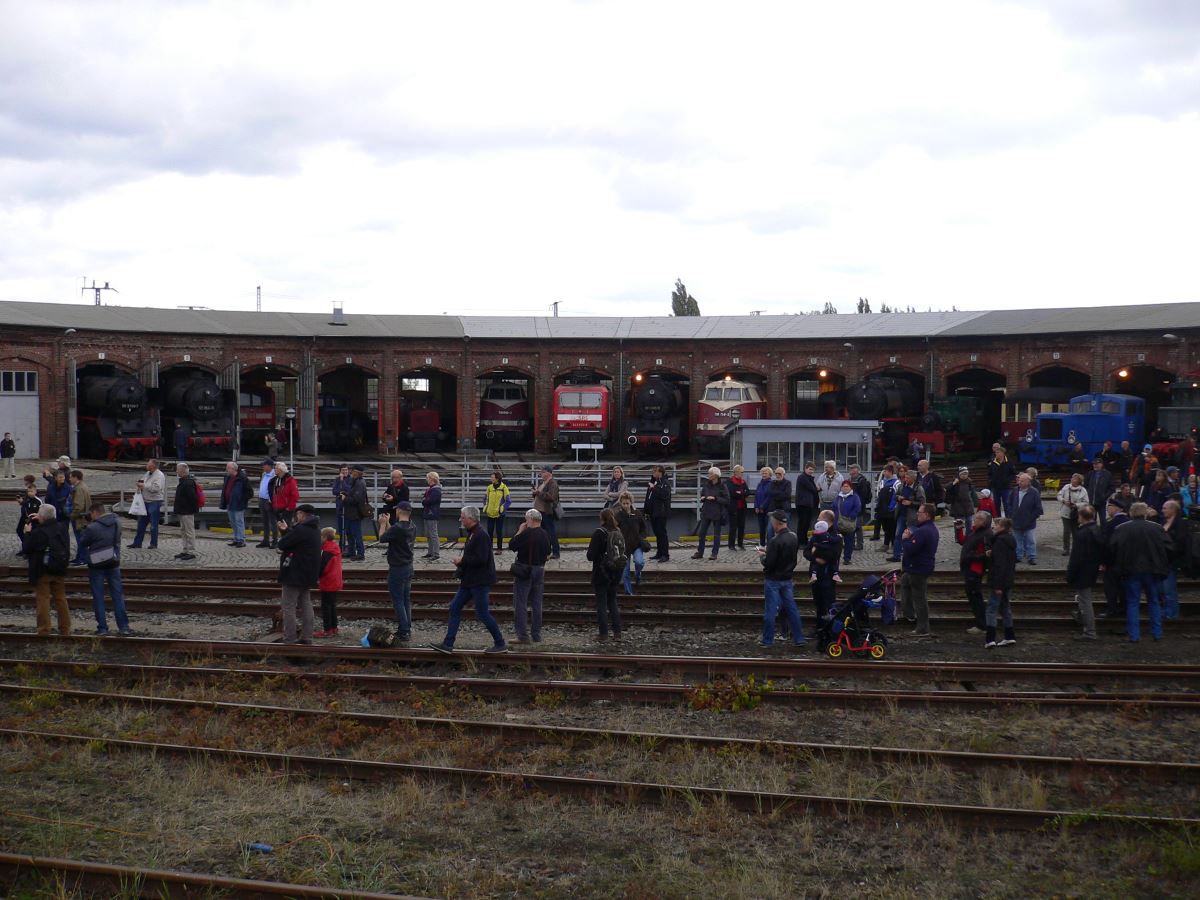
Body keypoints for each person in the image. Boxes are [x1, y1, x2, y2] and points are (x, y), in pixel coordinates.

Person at [430, 506, 508, 653]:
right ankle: (448, 644)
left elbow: (481, 559)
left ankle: (500, 643)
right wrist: (462, 563)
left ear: (471, 518)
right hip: (469, 580)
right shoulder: (473, 533)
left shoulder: (481, 535)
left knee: (482, 613)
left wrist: (462, 560)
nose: (461, 519)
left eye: (463, 517)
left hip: (479, 582)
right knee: (454, 608)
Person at [1109, 502, 1171, 642]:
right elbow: (1168, 548)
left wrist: (1117, 566)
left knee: (1132, 602)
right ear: (1145, 513)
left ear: (1131, 513)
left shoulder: (1121, 528)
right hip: (1153, 570)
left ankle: (1134, 635)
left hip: (1130, 570)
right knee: (1154, 601)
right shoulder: (1157, 528)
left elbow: (1112, 548)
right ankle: (1157, 633)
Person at [79, 501, 131, 635]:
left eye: (90, 514)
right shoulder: (117, 522)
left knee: (98, 596)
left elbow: (83, 542)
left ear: (95, 513)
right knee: (117, 596)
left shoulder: (92, 528)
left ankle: (102, 628)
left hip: (96, 564)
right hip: (113, 561)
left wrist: (85, 527)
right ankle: (124, 627)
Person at [756, 510, 805, 649]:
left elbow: (769, 563)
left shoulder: (774, 541)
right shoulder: (793, 537)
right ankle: (799, 638)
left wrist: (762, 556)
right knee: (792, 609)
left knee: (770, 611)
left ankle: (767, 640)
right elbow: (789, 557)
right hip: (787, 578)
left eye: (772, 522)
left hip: (773, 580)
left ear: (776, 523)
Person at [275, 503, 322, 645]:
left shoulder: (301, 529)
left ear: (302, 514)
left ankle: (289, 638)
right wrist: (288, 530)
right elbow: (297, 541)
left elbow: (283, 544)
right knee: (306, 605)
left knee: (288, 606)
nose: (296, 517)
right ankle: (307, 637)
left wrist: (284, 532)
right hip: (308, 575)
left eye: (298, 514)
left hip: (294, 574)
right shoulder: (315, 530)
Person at [21, 503, 71, 636]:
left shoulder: (38, 532)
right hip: (59, 568)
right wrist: (40, 519)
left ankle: (44, 630)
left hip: (42, 570)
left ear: (42, 517)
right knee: (61, 598)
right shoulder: (62, 527)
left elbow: (27, 548)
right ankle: (65, 629)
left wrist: (27, 532)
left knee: (43, 599)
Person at [509, 508, 552, 644]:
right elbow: (548, 553)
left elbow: (512, 545)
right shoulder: (545, 534)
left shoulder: (526, 533)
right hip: (540, 570)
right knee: (537, 603)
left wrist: (520, 530)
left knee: (521, 603)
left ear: (530, 519)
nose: (525, 522)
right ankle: (536, 635)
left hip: (525, 570)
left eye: (526, 519)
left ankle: (522, 636)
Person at [378, 502, 417, 642]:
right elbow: (393, 535)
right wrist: (389, 523)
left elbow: (382, 538)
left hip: (397, 568)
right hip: (408, 566)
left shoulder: (397, 528)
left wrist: (383, 524)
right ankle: (406, 629)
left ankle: (404, 631)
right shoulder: (412, 526)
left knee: (398, 600)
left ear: (399, 511)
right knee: (406, 599)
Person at [899, 503, 939, 637]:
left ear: (926, 515)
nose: (917, 514)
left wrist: (905, 539)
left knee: (920, 598)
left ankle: (922, 627)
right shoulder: (928, 529)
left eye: (920, 512)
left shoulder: (923, 531)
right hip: (917, 567)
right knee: (905, 581)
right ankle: (909, 613)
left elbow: (911, 549)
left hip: (918, 568)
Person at [586, 507, 625, 641]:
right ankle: (617, 633)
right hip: (616, 572)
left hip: (601, 572)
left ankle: (603, 634)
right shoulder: (617, 531)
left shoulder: (599, 532)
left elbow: (590, 556)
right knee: (612, 601)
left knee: (602, 603)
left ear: (601, 519)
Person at [1066, 504, 1102, 641]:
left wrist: (1070, 574)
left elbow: (1076, 557)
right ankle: (1083, 620)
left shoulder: (1082, 534)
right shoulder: (1097, 529)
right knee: (1084, 599)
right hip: (1092, 569)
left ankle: (1089, 632)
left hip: (1083, 571)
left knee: (1085, 600)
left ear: (1081, 517)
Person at [985, 517, 1018, 648]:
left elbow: (999, 564)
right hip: (1008, 580)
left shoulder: (999, 541)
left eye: (996, 525)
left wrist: (997, 585)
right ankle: (1009, 636)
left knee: (991, 609)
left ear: (1002, 527)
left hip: (999, 581)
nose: (994, 527)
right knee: (1005, 608)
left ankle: (990, 639)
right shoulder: (1010, 540)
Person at [958, 510, 991, 635]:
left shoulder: (985, 534)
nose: (974, 520)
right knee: (973, 597)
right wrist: (958, 530)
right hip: (970, 568)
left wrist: (970, 556)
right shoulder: (975, 532)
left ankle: (982, 625)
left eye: (976, 518)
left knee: (976, 598)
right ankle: (981, 623)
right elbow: (963, 541)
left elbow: (986, 555)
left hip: (975, 570)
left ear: (983, 521)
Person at [804, 519, 842, 622]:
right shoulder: (816, 536)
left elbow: (834, 555)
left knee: (829, 602)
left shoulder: (834, 537)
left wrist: (816, 552)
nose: (817, 520)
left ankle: (830, 627)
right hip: (817, 575)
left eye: (820, 518)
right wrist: (815, 558)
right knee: (818, 603)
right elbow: (806, 552)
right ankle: (820, 626)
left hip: (828, 576)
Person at [1101, 497, 1130, 618]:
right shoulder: (1129, 522)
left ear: (1117, 508)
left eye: (1109, 507)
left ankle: (1111, 609)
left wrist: (1104, 562)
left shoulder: (1111, 524)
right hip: (1126, 561)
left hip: (1113, 562)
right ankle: (1124, 609)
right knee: (1124, 587)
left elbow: (1107, 545)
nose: (1107, 509)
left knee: (1111, 587)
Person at [128, 459, 166, 550]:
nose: (146, 465)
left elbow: (156, 488)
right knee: (141, 524)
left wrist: (144, 486)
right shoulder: (147, 473)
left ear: (153, 466)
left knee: (153, 524)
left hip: (154, 501)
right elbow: (143, 482)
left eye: (148, 464)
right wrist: (139, 484)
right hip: (145, 501)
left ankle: (153, 544)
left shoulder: (159, 475)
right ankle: (137, 543)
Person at [888, 470, 925, 563]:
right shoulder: (902, 486)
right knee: (898, 535)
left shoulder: (918, 488)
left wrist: (911, 503)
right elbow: (895, 496)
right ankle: (896, 556)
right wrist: (898, 497)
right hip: (901, 514)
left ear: (913, 479)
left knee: (912, 536)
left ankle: (913, 556)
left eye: (908, 478)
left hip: (912, 517)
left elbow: (922, 503)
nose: (906, 479)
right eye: (905, 477)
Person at [615, 491, 647, 594]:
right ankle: (628, 593)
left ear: (631, 502)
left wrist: (642, 537)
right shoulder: (618, 516)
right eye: (623, 503)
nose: (625, 505)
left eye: (627, 503)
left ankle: (638, 575)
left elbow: (643, 528)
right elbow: (614, 529)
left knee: (639, 562)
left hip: (637, 544)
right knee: (625, 572)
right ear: (621, 503)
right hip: (623, 547)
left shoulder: (637, 514)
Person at [693, 466, 729, 560]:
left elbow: (727, 500)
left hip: (717, 513)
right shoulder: (706, 484)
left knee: (716, 534)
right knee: (702, 533)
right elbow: (703, 494)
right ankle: (700, 552)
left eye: (710, 474)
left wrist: (715, 498)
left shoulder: (722, 486)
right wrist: (703, 498)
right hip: (706, 511)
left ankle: (714, 553)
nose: (708, 475)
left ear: (716, 475)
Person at [1008, 473, 1043, 565]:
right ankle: (1018, 556)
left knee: (1030, 541)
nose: (1019, 482)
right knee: (1017, 540)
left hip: (1029, 522)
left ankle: (1032, 557)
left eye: (1022, 481)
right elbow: (1009, 503)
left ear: (1028, 482)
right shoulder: (1015, 490)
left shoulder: (1034, 492)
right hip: (1016, 520)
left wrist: (1031, 518)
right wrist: (1011, 514)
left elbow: (1038, 509)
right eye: (1019, 480)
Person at [315, 526, 343, 638]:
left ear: (325, 537)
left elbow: (322, 568)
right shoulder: (335, 548)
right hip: (335, 580)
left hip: (328, 582)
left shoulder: (327, 552)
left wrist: (315, 576)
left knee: (326, 607)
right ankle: (334, 627)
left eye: (321, 536)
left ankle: (327, 630)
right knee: (332, 605)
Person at [1160, 499, 1185, 622]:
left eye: (1165, 508)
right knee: (1162, 589)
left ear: (1172, 509)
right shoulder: (1163, 522)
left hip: (1171, 560)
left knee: (1169, 588)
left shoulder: (1180, 524)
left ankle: (1172, 613)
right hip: (1162, 561)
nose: (1162, 510)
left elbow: (1180, 543)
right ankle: (1166, 611)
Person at [532, 465, 561, 559]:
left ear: (549, 473)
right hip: (540, 511)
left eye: (543, 472)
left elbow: (551, 497)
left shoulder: (552, 483)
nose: (541, 474)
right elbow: (540, 495)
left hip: (547, 512)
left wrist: (538, 493)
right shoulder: (543, 483)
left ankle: (556, 552)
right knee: (544, 533)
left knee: (551, 532)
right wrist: (535, 493)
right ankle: (546, 552)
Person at [218, 461, 249, 549]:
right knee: (233, 522)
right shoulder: (227, 477)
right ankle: (236, 539)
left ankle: (241, 540)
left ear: (233, 469)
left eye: (228, 468)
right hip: (229, 503)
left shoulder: (242, 478)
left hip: (238, 504)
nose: (226, 469)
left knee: (239, 522)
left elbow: (249, 492)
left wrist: (241, 499)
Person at [173, 463, 201, 560]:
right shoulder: (183, 481)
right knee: (183, 531)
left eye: (177, 469)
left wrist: (191, 509)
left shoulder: (188, 483)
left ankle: (191, 551)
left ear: (183, 471)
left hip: (187, 511)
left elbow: (193, 498)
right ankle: (185, 550)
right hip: (182, 511)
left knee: (189, 531)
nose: (176, 471)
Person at [1057, 473, 1089, 557]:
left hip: (1076, 514)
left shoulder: (1083, 490)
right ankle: (1066, 549)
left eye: (1075, 478)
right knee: (1066, 531)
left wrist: (1076, 505)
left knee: (1075, 532)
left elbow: (1086, 502)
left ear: (1079, 481)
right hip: (1065, 512)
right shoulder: (1066, 487)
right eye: (1072, 478)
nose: (1072, 479)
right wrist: (1064, 501)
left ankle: (1076, 549)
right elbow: (1059, 495)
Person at [341, 465, 368, 561]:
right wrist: (346, 494)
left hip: (355, 513)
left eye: (352, 471)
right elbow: (354, 495)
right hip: (351, 513)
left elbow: (356, 499)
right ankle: (351, 551)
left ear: (357, 472)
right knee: (350, 533)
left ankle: (360, 553)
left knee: (356, 533)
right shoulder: (356, 481)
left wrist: (345, 498)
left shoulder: (359, 483)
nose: (351, 472)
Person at [645, 465, 672, 561]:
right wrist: (647, 510)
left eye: (655, 471)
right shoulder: (654, 482)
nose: (653, 473)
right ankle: (659, 553)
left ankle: (665, 554)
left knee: (662, 534)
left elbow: (664, 495)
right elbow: (649, 497)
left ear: (660, 472)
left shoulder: (665, 482)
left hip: (661, 512)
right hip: (653, 512)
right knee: (657, 533)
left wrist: (654, 488)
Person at [831, 479, 861, 564]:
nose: (845, 488)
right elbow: (833, 507)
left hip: (849, 523)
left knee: (849, 542)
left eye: (847, 486)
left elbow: (857, 508)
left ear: (850, 487)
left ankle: (847, 559)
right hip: (838, 523)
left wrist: (851, 515)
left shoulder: (855, 497)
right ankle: (835, 558)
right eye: (844, 486)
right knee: (836, 542)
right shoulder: (838, 497)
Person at [873, 464, 899, 554]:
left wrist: (891, 507)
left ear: (890, 472)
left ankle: (893, 545)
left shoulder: (896, 482)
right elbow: (878, 494)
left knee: (892, 528)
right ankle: (885, 544)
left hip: (890, 510)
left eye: (885, 471)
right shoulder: (882, 482)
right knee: (885, 528)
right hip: (882, 509)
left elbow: (896, 496)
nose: (884, 473)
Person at [483, 470, 511, 554]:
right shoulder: (489, 488)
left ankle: (499, 549)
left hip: (500, 514)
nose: (491, 479)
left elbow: (508, 501)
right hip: (490, 513)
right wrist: (485, 506)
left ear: (497, 478)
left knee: (499, 532)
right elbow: (485, 499)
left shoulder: (504, 488)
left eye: (492, 477)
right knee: (489, 531)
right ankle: (489, 548)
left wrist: (502, 508)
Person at [67, 470, 91, 566]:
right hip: (83, 517)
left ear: (75, 477)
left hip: (80, 519)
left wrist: (71, 515)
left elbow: (79, 507)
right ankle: (79, 557)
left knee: (80, 539)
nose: (69, 479)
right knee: (81, 539)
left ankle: (82, 559)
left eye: (70, 477)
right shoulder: (82, 486)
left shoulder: (79, 489)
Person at [846, 463, 871, 552]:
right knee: (850, 526)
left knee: (858, 526)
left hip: (858, 507)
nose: (850, 470)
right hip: (850, 506)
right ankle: (851, 543)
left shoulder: (862, 481)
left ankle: (859, 544)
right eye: (850, 468)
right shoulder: (849, 480)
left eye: (852, 468)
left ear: (857, 470)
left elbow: (863, 495)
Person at [257, 459, 280, 548]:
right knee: (265, 521)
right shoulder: (263, 474)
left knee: (273, 522)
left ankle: (275, 540)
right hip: (262, 500)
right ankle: (266, 540)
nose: (263, 466)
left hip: (269, 501)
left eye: (264, 465)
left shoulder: (275, 475)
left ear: (269, 466)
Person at [791, 463, 817, 542]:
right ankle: (801, 541)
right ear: (805, 469)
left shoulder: (808, 478)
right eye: (810, 469)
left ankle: (804, 540)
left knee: (806, 523)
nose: (811, 471)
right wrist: (817, 488)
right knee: (803, 523)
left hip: (807, 504)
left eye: (813, 470)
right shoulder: (802, 477)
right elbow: (812, 489)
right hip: (803, 504)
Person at [270, 461, 299, 529]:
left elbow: (295, 495)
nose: (274, 470)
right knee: (281, 528)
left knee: (286, 528)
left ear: (281, 470)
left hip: (286, 509)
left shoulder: (290, 481)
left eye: (276, 468)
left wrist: (289, 507)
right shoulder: (277, 480)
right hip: (278, 508)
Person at [987, 448, 1015, 518]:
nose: (996, 454)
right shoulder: (993, 462)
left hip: (1006, 487)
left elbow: (1013, 474)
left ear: (1002, 453)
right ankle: (998, 519)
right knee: (996, 504)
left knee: (1007, 504)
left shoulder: (1009, 462)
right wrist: (991, 481)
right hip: (995, 487)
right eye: (996, 452)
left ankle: (1008, 519)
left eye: (998, 452)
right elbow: (989, 473)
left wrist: (1007, 480)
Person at [726, 464, 749, 550]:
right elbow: (732, 492)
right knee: (733, 527)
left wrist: (740, 492)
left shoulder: (743, 482)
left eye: (743, 472)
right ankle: (731, 545)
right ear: (736, 472)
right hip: (733, 507)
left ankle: (740, 544)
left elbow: (748, 492)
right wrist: (742, 493)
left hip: (742, 507)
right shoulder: (730, 481)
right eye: (741, 472)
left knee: (742, 526)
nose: (742, 474)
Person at [330, 464, 352, 550]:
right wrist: (341, 492)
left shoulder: (351, 479)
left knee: (348, 528)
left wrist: (342, 482)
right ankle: (341, 545)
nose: (345, 471)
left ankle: (350, 546)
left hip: (348, 506)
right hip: (339, 506)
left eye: (346, 470)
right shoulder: (337, 480)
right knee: (340, 527)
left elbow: (349, 489)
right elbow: (334, 491)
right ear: (340, 471)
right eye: (343, 470)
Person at [1086, 458, 1113, 525]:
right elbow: (1085, 485)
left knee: (1103, 520)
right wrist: (1088, 495)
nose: (1095, 465)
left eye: (1097, 464)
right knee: (1092, 520)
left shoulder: (1107, 474)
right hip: (1091, 502)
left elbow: (1111, 488)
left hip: (1101, 502)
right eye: (1094, 464)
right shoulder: (1090, 473)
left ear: (1101, 464)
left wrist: (1105, 496)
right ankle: (1093, 531)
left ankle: (1104, 531)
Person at [421, 471, 442, 559]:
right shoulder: (431, 489)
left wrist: (424, 500)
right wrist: (425, 500)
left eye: (428, 478)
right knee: (429, 534)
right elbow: (426, 499)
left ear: (432, 478)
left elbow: (430, 501)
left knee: (433, 534)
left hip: (432, 513)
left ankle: (436, 553)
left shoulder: (436, 490)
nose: (427, 480)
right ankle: (430, 552)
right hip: (428, 513)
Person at [753, 466, 773, 548]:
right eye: (763, 473)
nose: (764, 475)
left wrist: (762, 507)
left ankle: (769, 545)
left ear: (770, 474)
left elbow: (769, 497)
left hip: (767, 510)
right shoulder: (759, 484)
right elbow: (756, 496)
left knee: (769, 529)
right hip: (759, 510)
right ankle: (762, 544)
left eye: (766, 473)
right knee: (761, 528)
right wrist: (756, 506)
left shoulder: (771, 484)